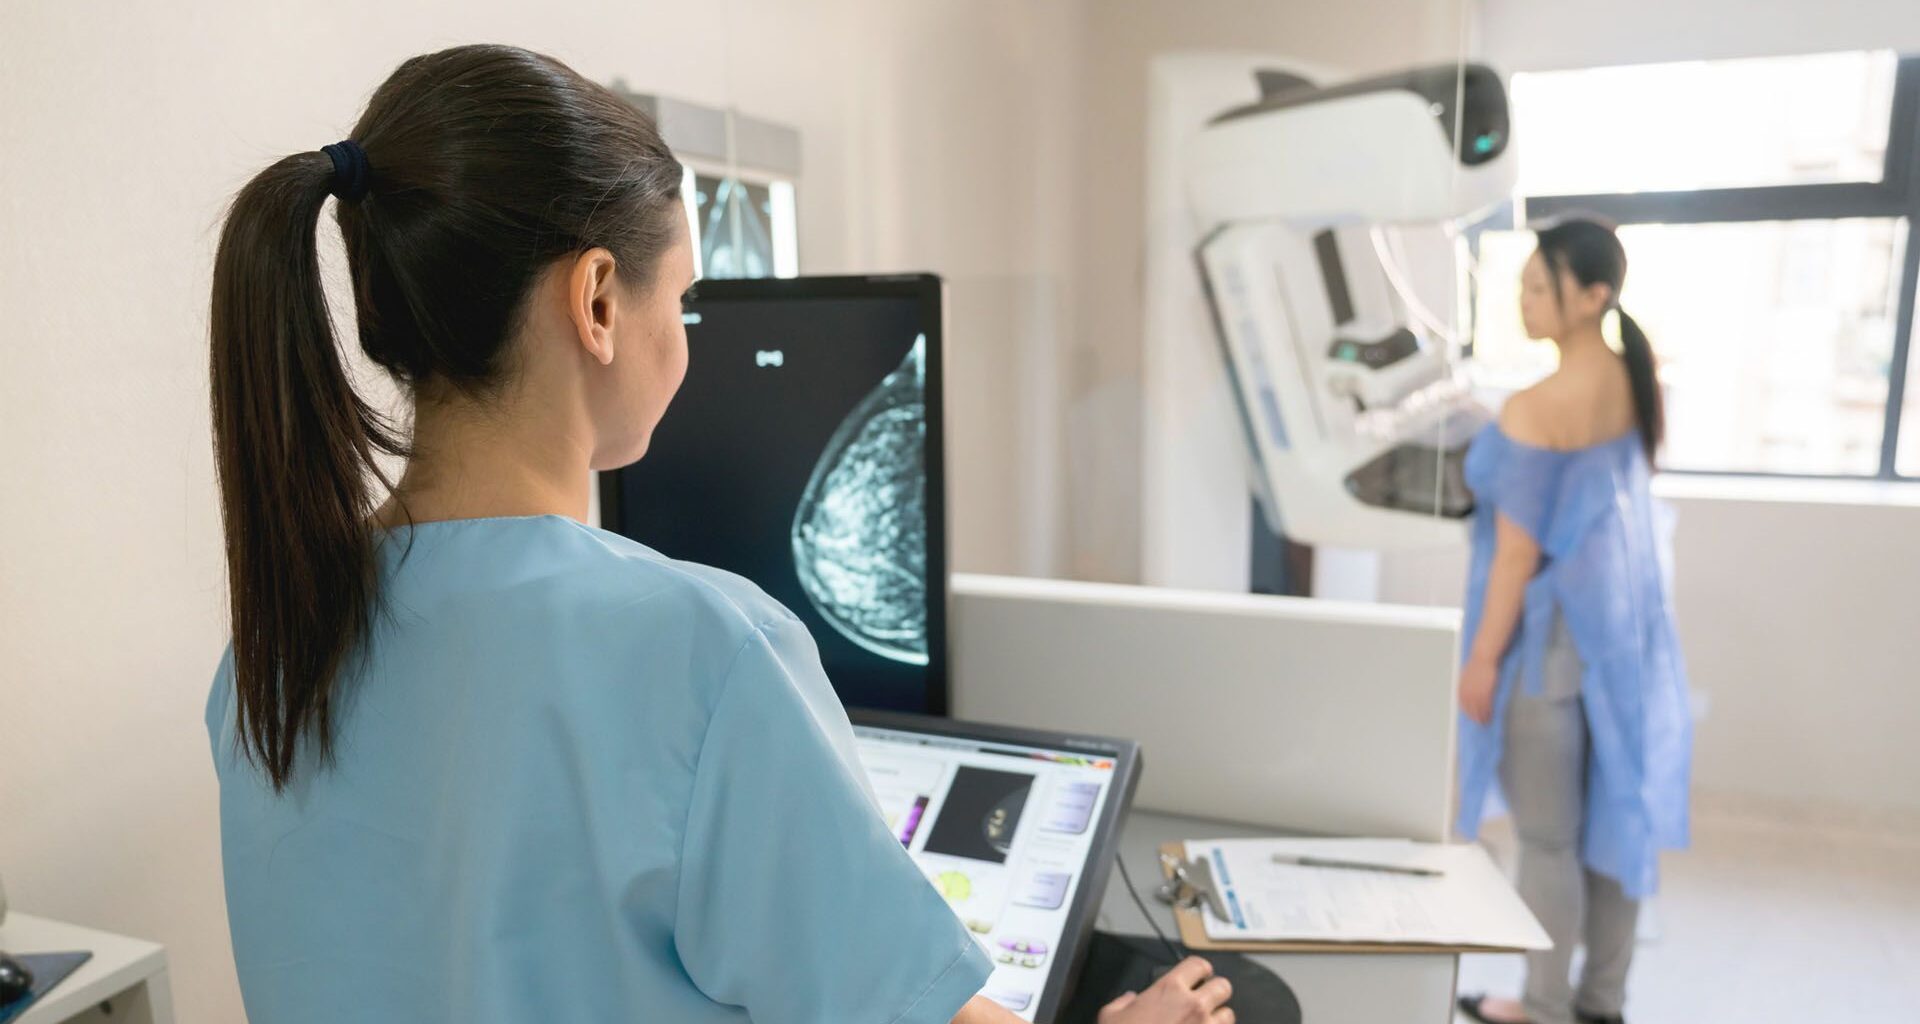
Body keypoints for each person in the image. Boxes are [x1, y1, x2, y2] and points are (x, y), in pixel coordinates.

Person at [204, 43, 1234, 1024]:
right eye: (685, 299)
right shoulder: (704, 653)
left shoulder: (268, 657)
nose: (687, 335)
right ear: (599, 300)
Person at [1452, 217, 1692, 1024]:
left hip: (1545, 648)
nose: (1522, 299)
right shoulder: (1636, 378)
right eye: (1520, 283)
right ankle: (1600, 1003)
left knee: (1549, 840)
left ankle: (1543, 1009)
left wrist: (1482, 660)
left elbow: (1516, 563)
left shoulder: (1534, 407)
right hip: (1621, 633)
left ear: (1591, 297)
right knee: (1618, 813)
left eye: (1537, 285)